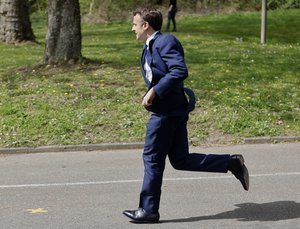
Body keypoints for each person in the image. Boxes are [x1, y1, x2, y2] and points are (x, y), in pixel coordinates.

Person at [123, 8, 249, 224]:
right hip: (173, 110)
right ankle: (231, 163)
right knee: (180, 160)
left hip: (166, 113)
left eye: (135, 24)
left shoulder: (165, 41)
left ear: (146, 26)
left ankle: (148, 210)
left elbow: (179, 70)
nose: (132, 28)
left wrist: (154, 91)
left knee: (152, 159)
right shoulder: (147, 48)